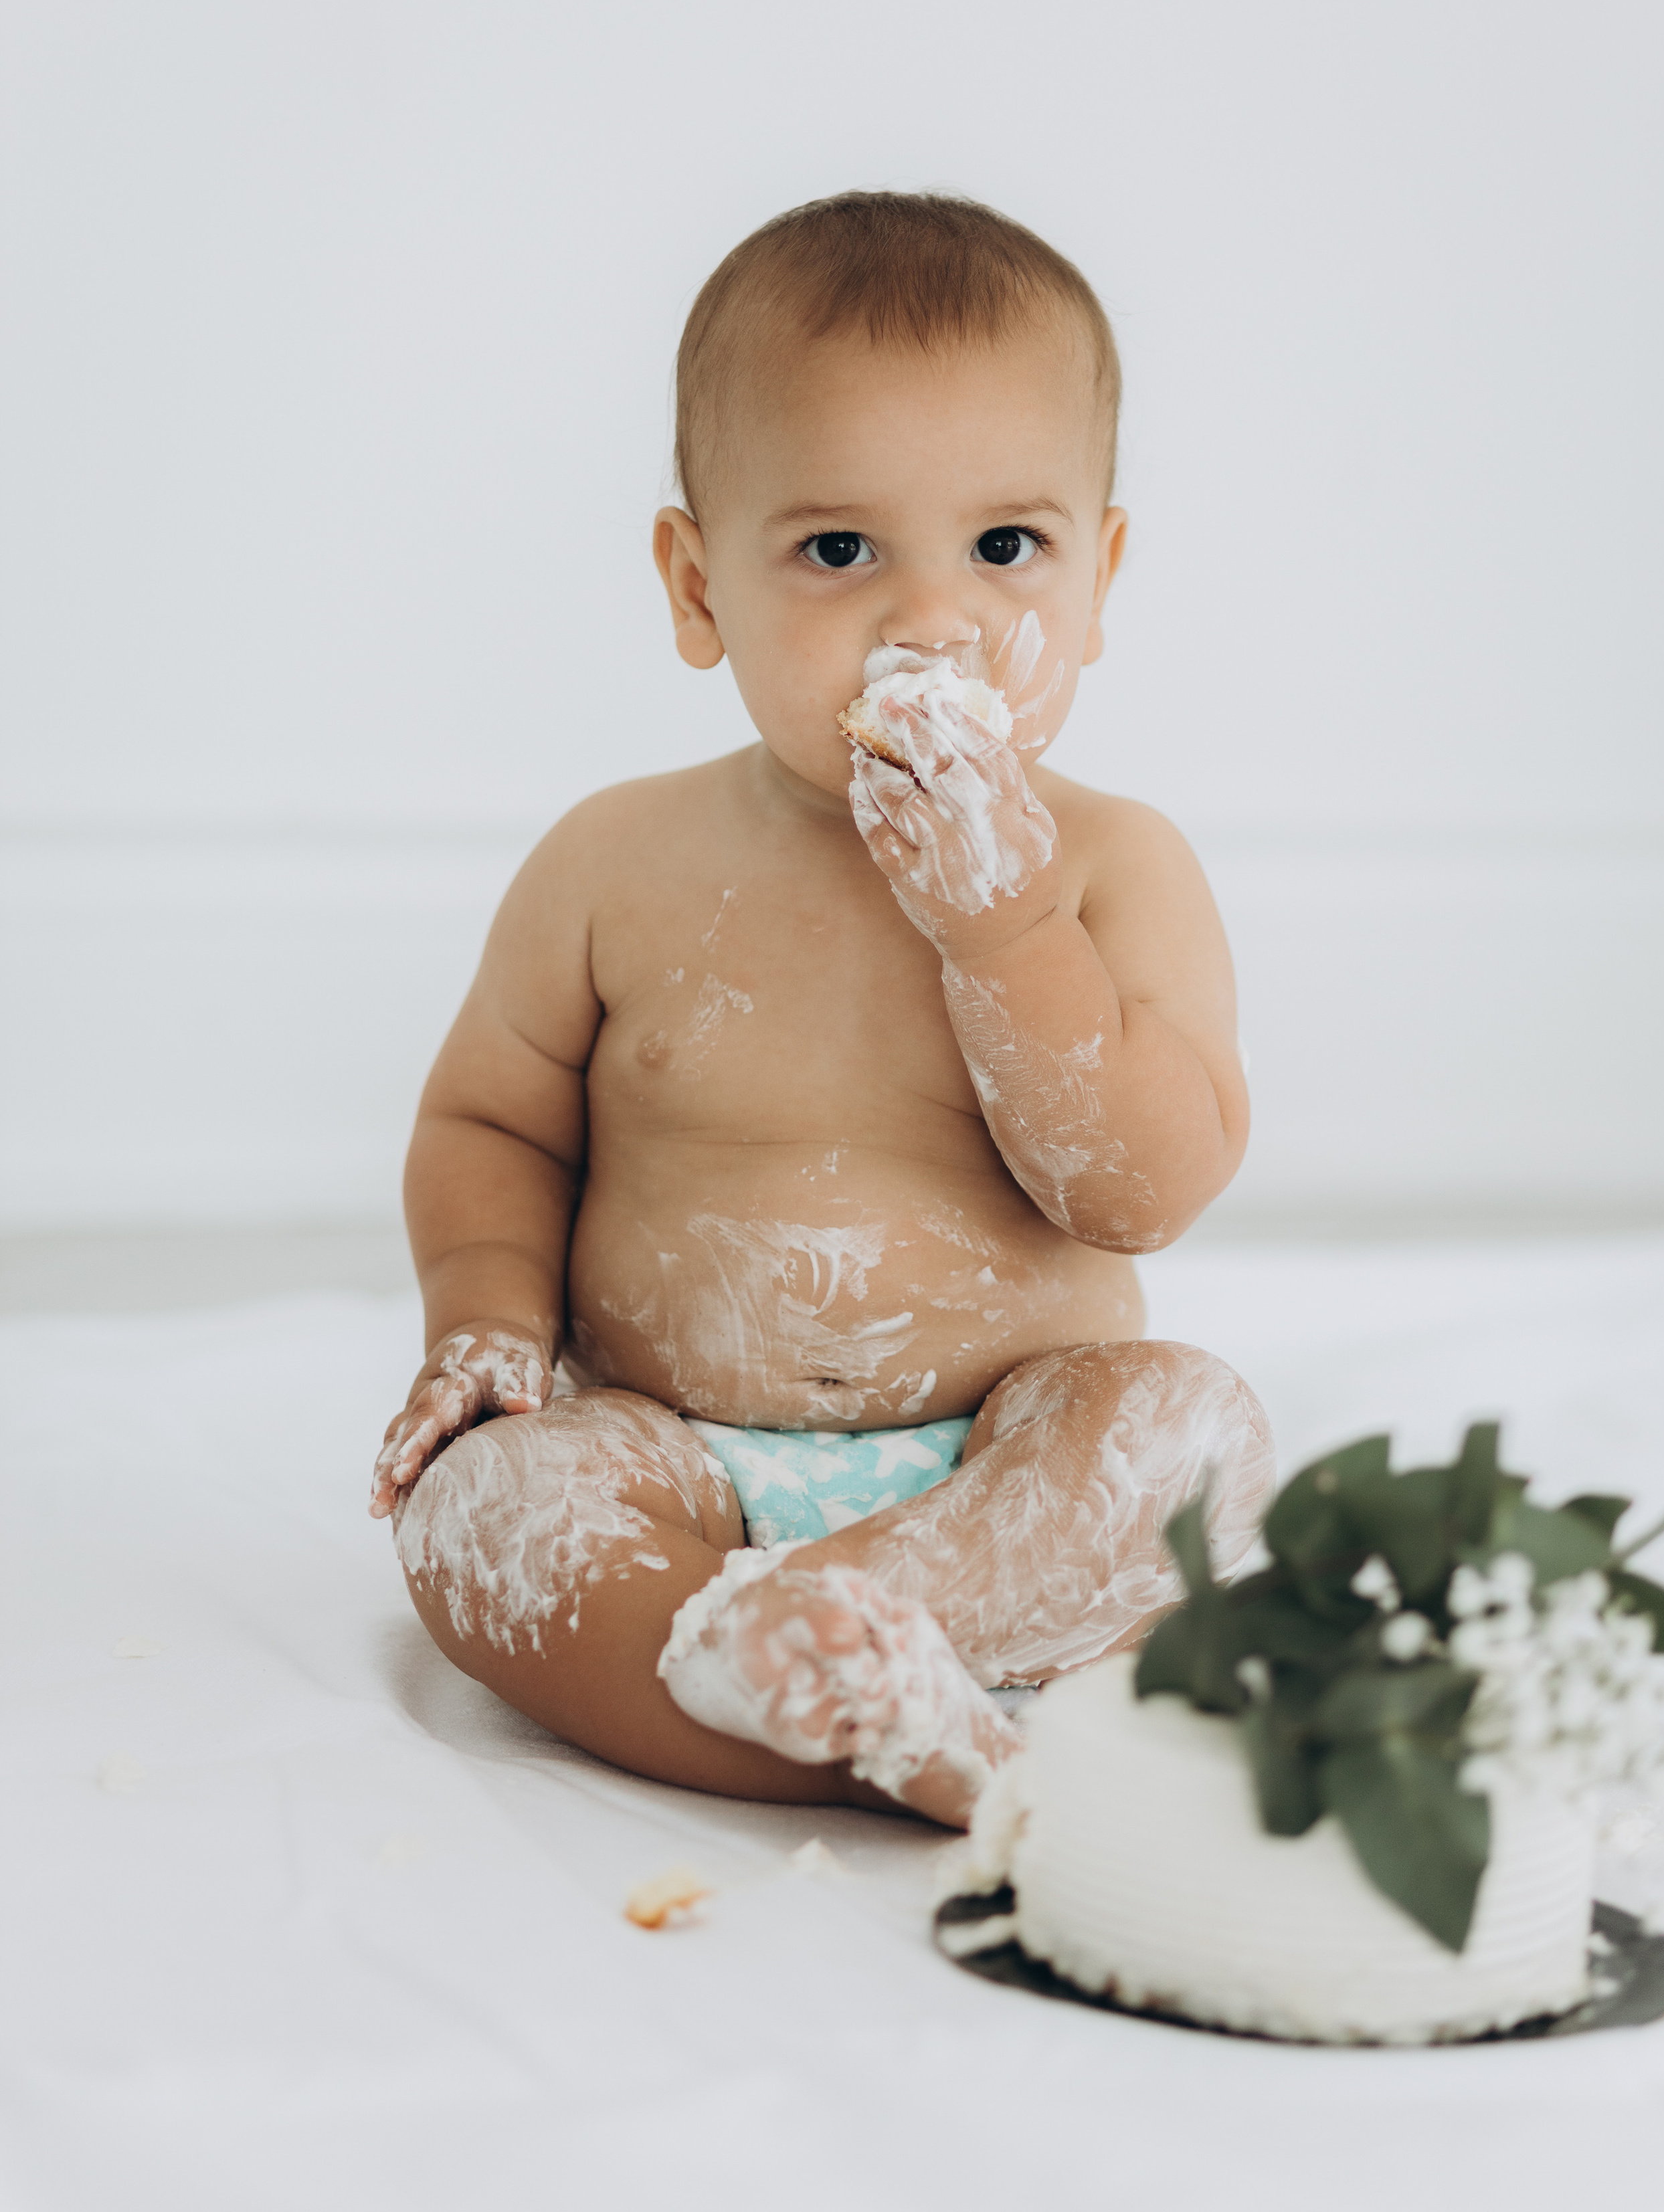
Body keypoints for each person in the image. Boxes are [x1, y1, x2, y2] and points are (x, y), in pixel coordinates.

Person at [369, 191, 1273, 1826]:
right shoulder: (613, 860)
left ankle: (826, 1648)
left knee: (1183, 1439)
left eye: (1004, 548)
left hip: (998, 1460)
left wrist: (1003, 931)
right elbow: (489, 1121)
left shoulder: (1114, 869)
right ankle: (798, 1691)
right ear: (696, 584)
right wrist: (486, 1324)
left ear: (1095, 577)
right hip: (671, 1456)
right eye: (838, 550)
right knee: (477, 1516)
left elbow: (1136, 1194)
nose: (928, 620)